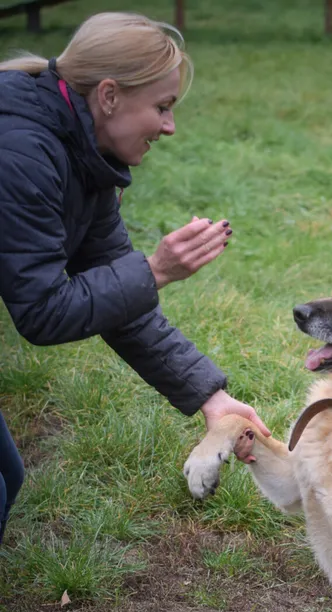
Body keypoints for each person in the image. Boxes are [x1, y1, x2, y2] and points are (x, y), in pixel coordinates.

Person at [0, 12, 269, 545]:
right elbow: (42, 311)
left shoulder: (86, 157)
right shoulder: (22, 152)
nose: (170, 127)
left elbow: (119, 300)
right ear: (108, 96)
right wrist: (156, 270)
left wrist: (210, 398)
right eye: (163, 107)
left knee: (8, 476)